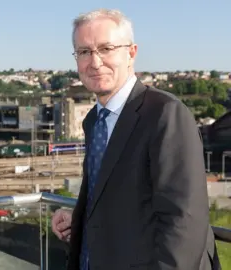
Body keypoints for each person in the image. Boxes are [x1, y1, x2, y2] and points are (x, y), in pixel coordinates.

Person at [51, 8, 220, 270]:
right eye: (84, 51)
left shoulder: (165, 113)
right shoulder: (94, 120)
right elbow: (115, 193)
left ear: (131, 53)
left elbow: (184, 223)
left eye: (106, 48)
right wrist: (79, 216)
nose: (95, 62)